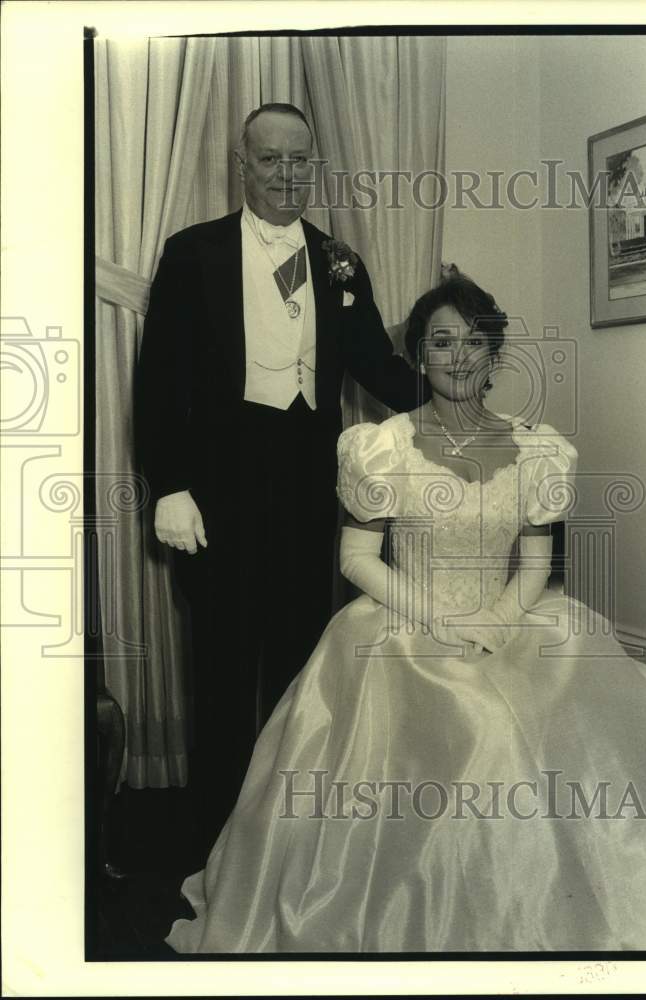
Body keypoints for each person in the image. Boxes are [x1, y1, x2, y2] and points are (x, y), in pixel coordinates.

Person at [165, 274, 646, 953]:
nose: (459, 356)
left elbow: (536, 564)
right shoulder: (381, 444)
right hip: (401, 625)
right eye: (441, 341)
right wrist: (442, 622)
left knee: (590, 709)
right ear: (418, 356)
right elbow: (357, 558)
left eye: (474, 341)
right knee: (479, 732)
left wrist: (496, 621)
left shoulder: (537, 448)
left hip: (508, 622)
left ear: (493, 356)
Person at [136, 104, 424, 852]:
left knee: (301, 659)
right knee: (225, 668)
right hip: (217, 489)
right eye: (271, 160)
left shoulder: (340, 260)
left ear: (314, 166)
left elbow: (377, 367)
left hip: (305, 485)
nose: (287, 176)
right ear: (244, 164)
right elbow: (160, 381)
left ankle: (288, 838)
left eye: (300, 161)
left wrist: (456, 403)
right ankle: (216, 840)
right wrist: (168, 485)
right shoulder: (192, 254)